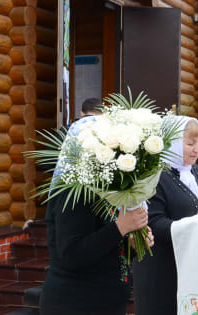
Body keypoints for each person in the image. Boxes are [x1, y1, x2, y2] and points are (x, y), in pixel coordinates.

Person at [40, 118, 154, 315]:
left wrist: (131, 245)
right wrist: (121, 227)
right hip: (75, 305)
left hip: (105, 304)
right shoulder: (72, 193)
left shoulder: (104, 190)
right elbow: (72, 255)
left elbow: (106, 247)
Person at [133, 116, 198, 315]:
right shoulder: (154, 176)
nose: (197, 149)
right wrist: (196, 226)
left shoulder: (196, 172)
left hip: (190, 265)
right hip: (162, 270)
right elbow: (153, 222)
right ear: (173, 143)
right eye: (190, 143)